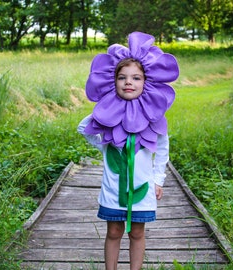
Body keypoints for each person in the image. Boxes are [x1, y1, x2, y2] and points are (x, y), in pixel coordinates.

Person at [77, 32, 179, 270]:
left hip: (143, 186)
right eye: (121, 78)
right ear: (113, 83)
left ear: (147, 82)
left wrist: (158, 180)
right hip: (113, 187)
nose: (128, 82)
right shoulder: (109, 114)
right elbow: (83, 128)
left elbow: (162, 148)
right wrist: (105, 113)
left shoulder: (153, 115)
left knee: (137, 232)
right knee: (113, 231)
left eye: (136, 78)